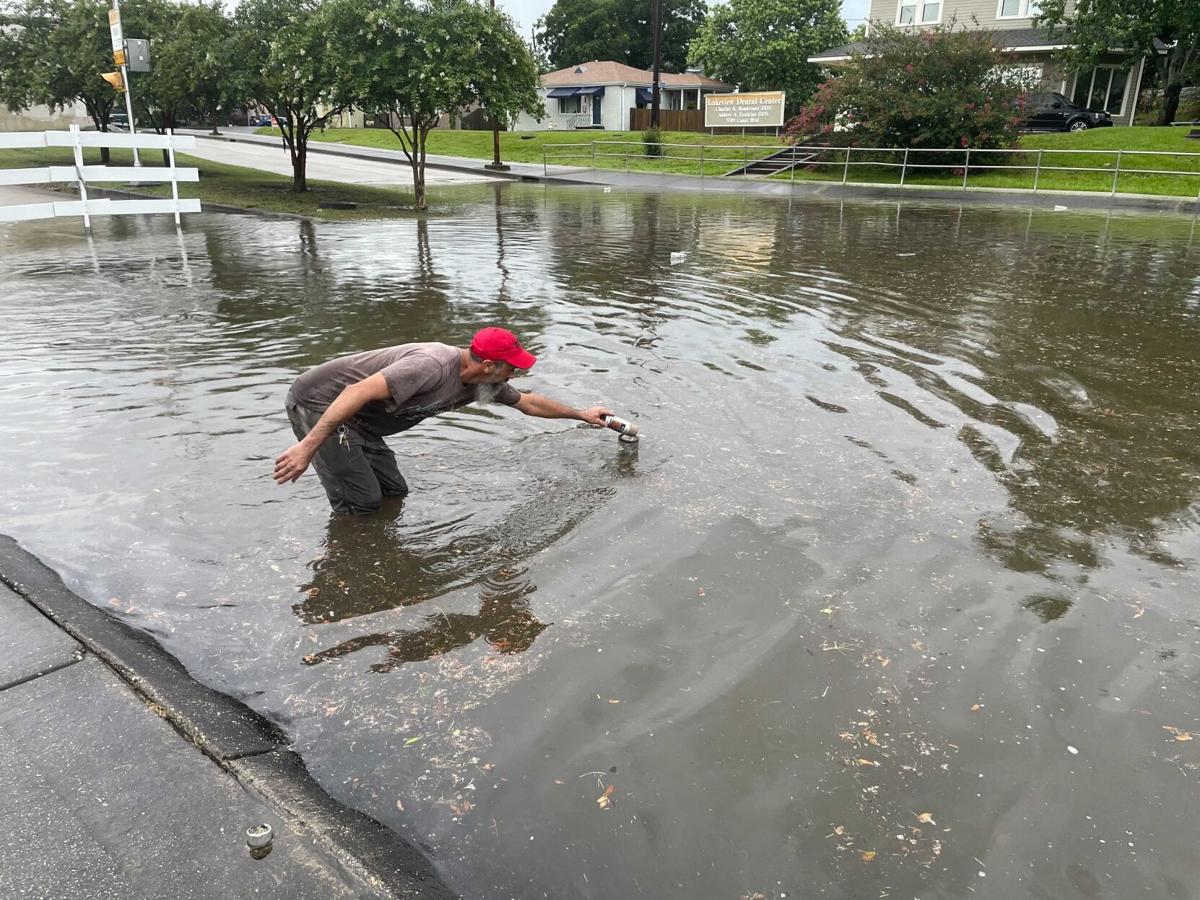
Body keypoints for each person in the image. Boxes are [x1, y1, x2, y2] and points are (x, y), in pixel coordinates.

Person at [274, 327, 611, 514]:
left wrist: (582, 414)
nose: (517, 372)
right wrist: (307, 448)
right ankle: (349, 565)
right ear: (489, 365)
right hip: (319, 402)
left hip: (363, 422)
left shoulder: (482, 384)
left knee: (394, 492)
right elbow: (354, 393)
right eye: (512, 367)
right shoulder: (431, 366)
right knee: (363, 501)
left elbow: (529, 404)